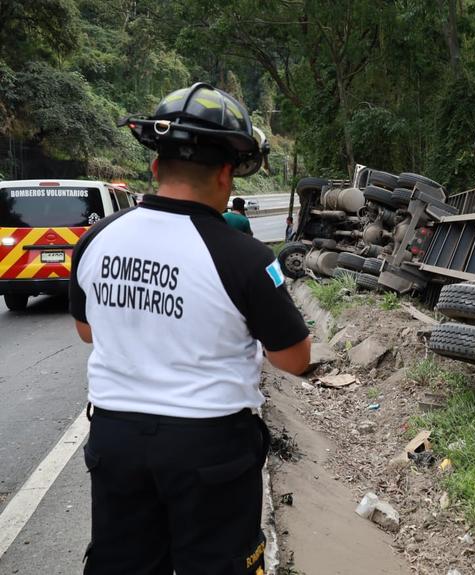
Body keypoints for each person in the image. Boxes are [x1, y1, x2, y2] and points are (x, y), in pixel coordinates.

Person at [69, 82, 311, 574]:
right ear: (226, 174)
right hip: (211, 450)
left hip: (116, 443)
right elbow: (295, 358)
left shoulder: (96, 239)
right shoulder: (245, 257)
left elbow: (87, 331)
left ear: (156, 166)